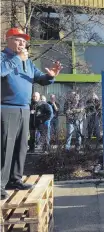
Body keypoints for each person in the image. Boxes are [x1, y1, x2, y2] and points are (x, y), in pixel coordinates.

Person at [1, 28, 62, 200]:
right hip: (6, 108)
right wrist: (16, 59)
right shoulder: (3, 57)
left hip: (25, 108)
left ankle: (15, 179)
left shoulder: (27, 62)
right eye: (18, 39)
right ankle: (0, 184)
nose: (23, 43)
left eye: (24, 40)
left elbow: (39, 78)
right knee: (5, 147)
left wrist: (50, 76)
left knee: (21, 146)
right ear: (8, 40)